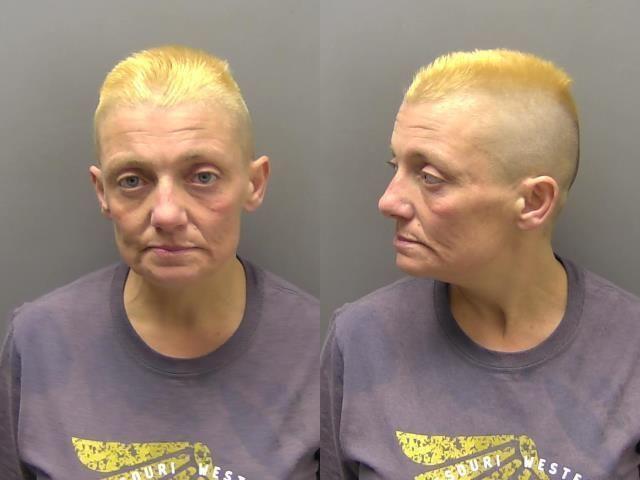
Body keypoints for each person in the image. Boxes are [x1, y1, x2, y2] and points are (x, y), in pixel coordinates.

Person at [0, 45, 319, 480]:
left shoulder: (315, 346)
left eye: (203, 177)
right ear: (103, 193)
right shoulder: (38, 341)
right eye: (133, 180)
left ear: (254, 183)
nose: (166, 214)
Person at [320, 49, 640, 479]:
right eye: (396, 166)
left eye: (430, 178)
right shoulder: (361, 340)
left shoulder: (629, 354)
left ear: (533, 202)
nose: (388, 201)